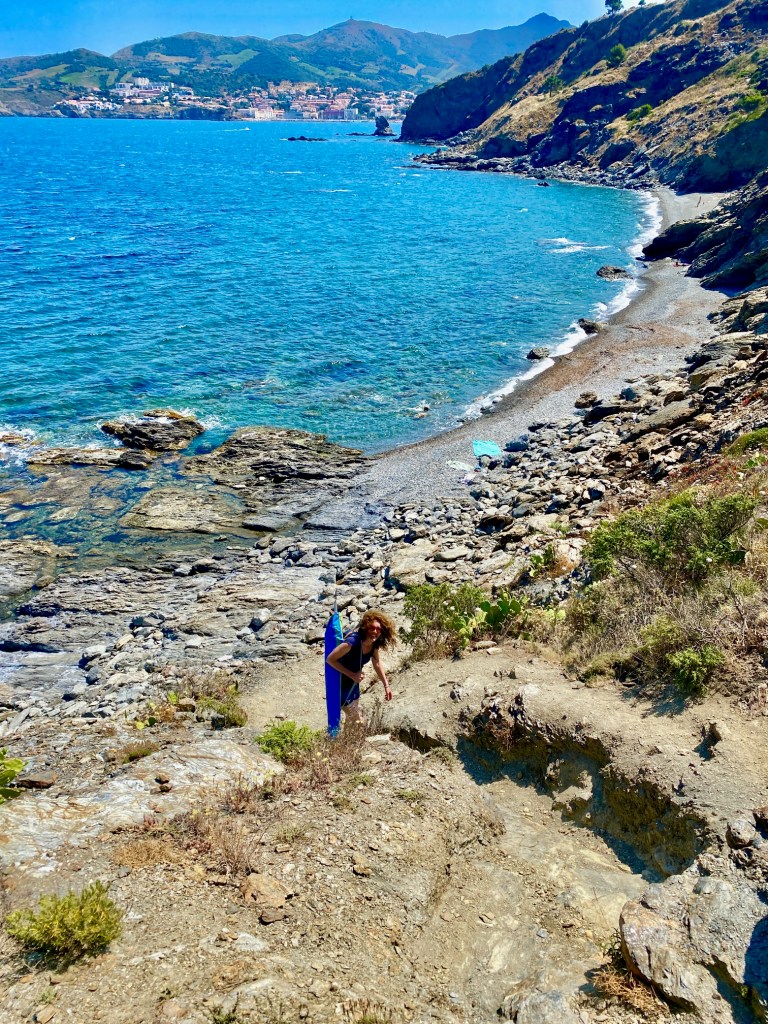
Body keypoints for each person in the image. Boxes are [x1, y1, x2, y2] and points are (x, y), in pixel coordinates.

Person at [325, 609, 396, 722]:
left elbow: (377, 663)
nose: (375, 631)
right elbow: (330, 659)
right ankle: (353, 739)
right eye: (372, 628)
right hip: (340, 684)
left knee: (352, 718)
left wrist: (386, 686)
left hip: (354, 684)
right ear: (366, 627)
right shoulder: (352, 642)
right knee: (358, 719)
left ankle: (347, 739)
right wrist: (352, 675)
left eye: (378, 629)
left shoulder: (374, 644)